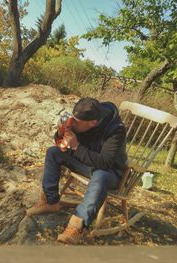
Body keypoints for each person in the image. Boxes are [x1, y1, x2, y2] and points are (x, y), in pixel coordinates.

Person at [26, 97, 127, 244]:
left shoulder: (116, 130)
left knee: (101, 175)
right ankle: (51, 201)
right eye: (73, 118)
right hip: (87, 162)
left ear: (93, 123)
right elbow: (62, 144)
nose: (72, 123)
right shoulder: (82, 117)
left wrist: (76, 147)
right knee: (53, 152)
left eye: (76, 122)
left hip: (111, 173)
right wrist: (61, 133)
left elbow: (105, 162)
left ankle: (77, 226)